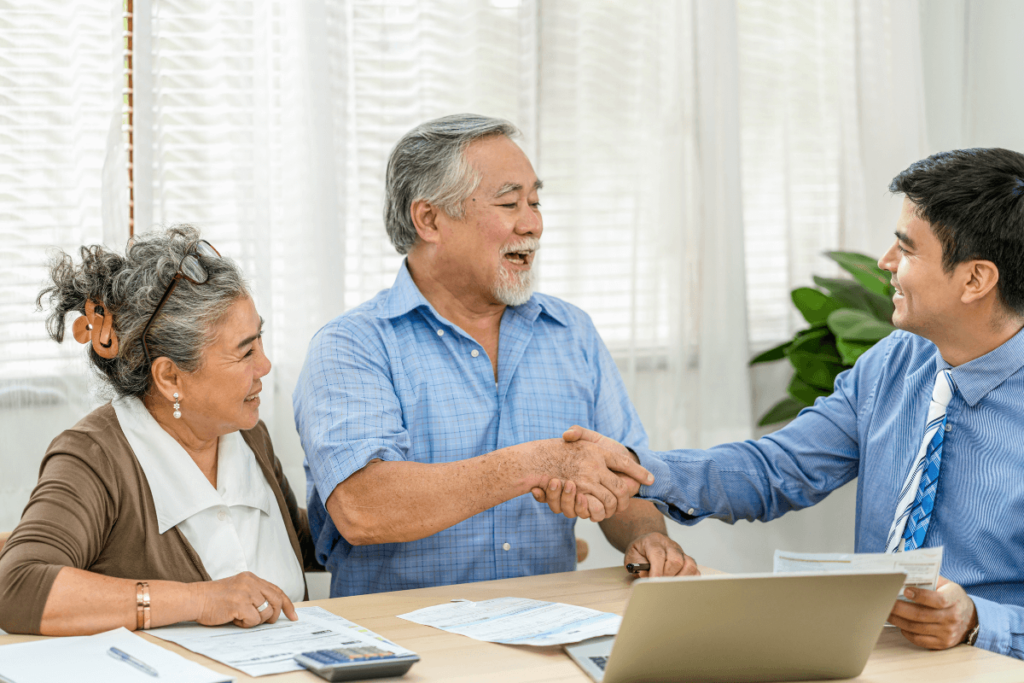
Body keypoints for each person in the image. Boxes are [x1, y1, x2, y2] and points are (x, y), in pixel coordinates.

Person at [538, 148, 1024, 658]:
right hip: (871, 655)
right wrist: (633, 469)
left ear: (976, 279)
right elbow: (777, 469)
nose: (885, 262)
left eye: (907, 249)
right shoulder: (897, 361)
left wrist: (974, 621)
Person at [293, 113, 696, 598]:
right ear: (430, 220)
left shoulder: (572, 333)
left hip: (550, 632)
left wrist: (647, 538)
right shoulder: (352, 345)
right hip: (405, 646)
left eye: (535, 201)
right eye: (509, 203)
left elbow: (625, 479)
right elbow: (363, 508)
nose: (533, 224)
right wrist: (539, 462)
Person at [0, 226, 318, 636]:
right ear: (170, 377)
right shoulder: (94, 455)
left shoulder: (246, 431)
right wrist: (201, 599)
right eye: (246, 352)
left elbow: (294, 536)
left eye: (260, 341)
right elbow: (18, 587)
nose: (265, 367)